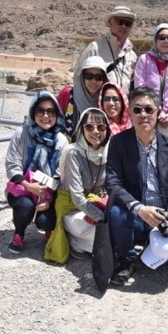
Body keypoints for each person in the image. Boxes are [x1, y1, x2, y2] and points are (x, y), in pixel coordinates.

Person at [104, 87, 168, 285]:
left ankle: (150, 249)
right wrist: (139, 208)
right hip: (136, 212)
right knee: (117, 212)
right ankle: (127, 259)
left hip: (163, 215)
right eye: (137, 110)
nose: (143, 114)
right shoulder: (118, 142)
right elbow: (112, 182)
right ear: (130, 113)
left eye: (148, 109)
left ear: (158, 111)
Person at [4, 91, 68, 254]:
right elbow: (12, 164)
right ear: (33, 112)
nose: (46, 116)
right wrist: (28, 186)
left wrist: (48, 198)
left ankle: (49, 229)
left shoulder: (61, 140)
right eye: (40, 110)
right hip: (23, 188)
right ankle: (19, 232)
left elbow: (61, 173)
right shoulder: (21, 134)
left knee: (45, 221)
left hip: (48, 190)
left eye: (51, 111)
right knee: (25, 206)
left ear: (57, 114)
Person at [48, 107, 111, 262]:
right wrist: (101, 217)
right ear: (81, 129)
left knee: (113, 231)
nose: (95, 131)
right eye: (89, 127)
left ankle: (84, 243)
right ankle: (75, 242)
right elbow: (76, 197)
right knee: (104, 234)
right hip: (70, 206)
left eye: (101, 127)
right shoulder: (73, 153)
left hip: (93, 201)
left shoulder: (108, 151)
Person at [133, 23, 168, 138]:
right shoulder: (144, 60)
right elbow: (140, 88)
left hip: (166, 118)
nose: (166, 41)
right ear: (155, 40)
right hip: (146, 113)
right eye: (161, 37)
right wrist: (157, 110)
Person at [75, 5, 139, 91]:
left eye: (128, 23)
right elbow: (78, 80)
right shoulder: (95, 48)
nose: (124, 26)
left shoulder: (131, 55)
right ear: (110, 23)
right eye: (119, 21)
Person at [57, 55, 108, 135]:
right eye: (89, 76)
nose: (93, 81)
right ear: (82, 77)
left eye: (99, 77)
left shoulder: (106, 100)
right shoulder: (67, 94)